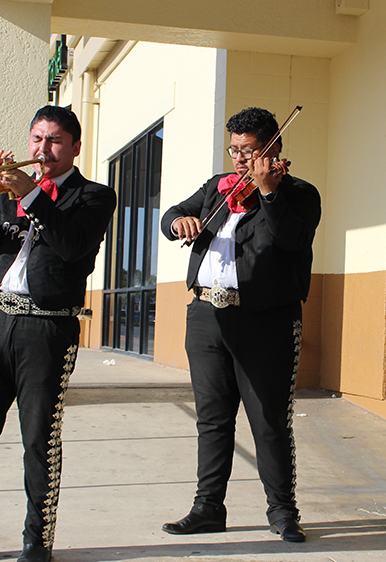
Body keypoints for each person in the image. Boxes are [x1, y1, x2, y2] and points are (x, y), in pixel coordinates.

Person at [0, 106, 116, 562]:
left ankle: (37, 541)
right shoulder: (11, 192)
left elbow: (73, 247)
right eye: (36, 139)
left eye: (54, 140)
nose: (42, 149)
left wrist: (32, 195)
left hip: (49, 326)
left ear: (75, 146)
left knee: (39, 438)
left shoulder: (95, 197)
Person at [160, 107, 321, 543]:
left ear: (273, 149)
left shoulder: (300, 193)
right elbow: (171, 214)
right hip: (206, 316)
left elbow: (291, 239)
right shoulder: (218, 189)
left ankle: (283, 511)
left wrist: (269, 194)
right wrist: (179, 222)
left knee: (268, 419)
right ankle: (208, 507)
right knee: (212, 420)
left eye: (249, 151)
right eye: (234, 149)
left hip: (265, 321)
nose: (240, 160)